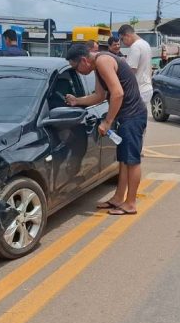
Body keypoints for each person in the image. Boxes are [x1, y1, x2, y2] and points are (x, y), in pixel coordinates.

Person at [64, 44, 147, 215]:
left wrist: (107, 122)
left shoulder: (103, 61)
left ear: (84, 60)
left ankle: (130, 204)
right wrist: (77, 101)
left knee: (132, 161)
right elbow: (99, 96)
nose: (78, 72)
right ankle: (118, 198)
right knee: (124, 161)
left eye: (76, 67)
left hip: (132, 116)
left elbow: (117, 93)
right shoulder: (97, 65)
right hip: (125, 117)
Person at [118, 24, 152, 108]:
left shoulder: (135, 46)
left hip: (138, 90)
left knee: (133, 118)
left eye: (122, 39)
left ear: (127, 35)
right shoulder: (145, 44)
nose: (122, 42)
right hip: (147, 88)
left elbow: (130, 71)